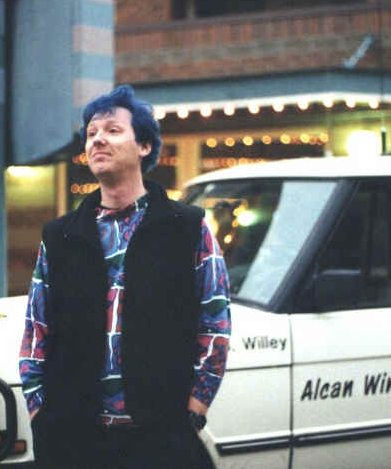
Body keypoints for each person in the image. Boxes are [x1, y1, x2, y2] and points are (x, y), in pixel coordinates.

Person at [18, 85, 231, 469]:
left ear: (144, 146)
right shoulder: (61, 236)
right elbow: (36, 332)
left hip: (161, 441)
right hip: (73, 441)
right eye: (91, 133)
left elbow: (215, 324)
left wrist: (194, 411)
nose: (98, 139)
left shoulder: (187, 227)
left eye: (113, 130)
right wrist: (40, 416)